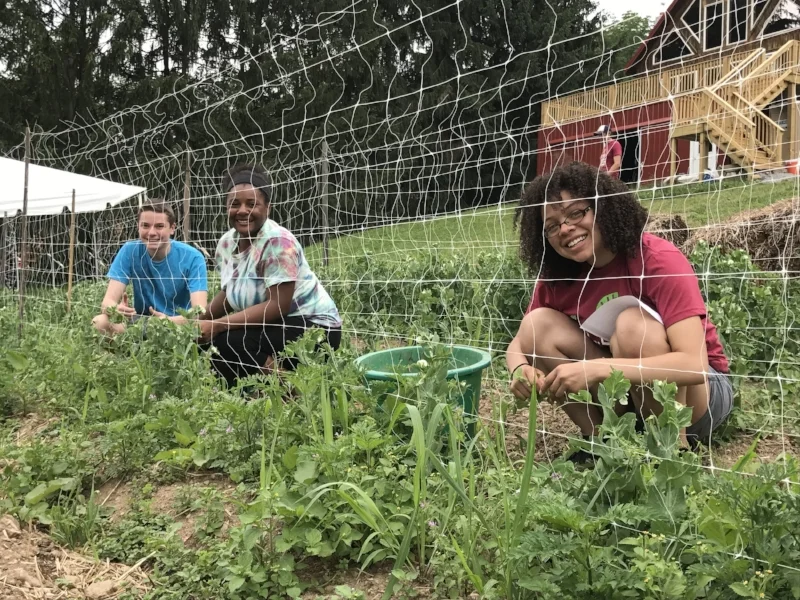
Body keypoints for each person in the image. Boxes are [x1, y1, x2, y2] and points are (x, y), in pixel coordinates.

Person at [506, 161, 732, 462]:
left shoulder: (656, 258)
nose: (566, 229)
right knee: (537, 325)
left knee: (632, 327)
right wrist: (520, 370)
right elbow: (521, 340)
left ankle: (670, 452)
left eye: (576, 212)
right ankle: (603, 443)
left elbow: (693, 365)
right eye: (551, 226)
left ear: (603, 207)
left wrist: (596, 369)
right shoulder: (558, 277)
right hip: (632, 393)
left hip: (699, 398)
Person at [199, 164, 342, 386]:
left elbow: (278, 306)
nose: (243, 210)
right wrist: (193, 322)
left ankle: (292, 392)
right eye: (234, 204)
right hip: (276, 327)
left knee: (231, 341)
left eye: (252, 203)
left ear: (268, 208)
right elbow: (229, 295)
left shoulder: (278, 241)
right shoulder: (227, 243)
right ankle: (248, 399)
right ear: (226, 208)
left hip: (316, 328)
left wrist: (218, 324)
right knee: (207, 342)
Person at [92, 201, 208, 336]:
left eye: (159, 226)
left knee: (197, 328)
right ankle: (124, 354)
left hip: (179, 326)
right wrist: (116, 309)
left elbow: (200, 312)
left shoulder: (193, 257)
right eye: (145, 226)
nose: (151, 232)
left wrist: (168, 321)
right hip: (141, 322)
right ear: (138, 227)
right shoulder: (130, 251)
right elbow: (106, 303)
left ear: (172, 228)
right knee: (99, 322)